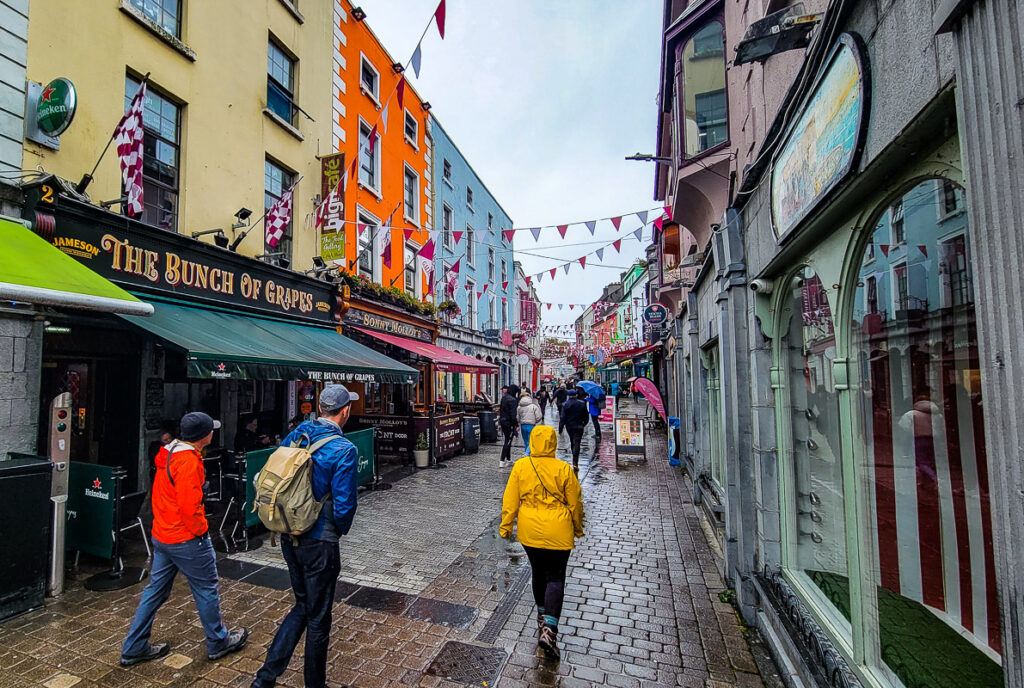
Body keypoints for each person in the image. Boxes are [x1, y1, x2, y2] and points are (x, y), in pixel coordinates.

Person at [252, 385, 361, 688]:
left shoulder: (298, 433)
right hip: (319, 541)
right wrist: (336, 529)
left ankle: (265, 679)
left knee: (302, 605)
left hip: (289, 534)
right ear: (344, 412)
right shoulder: (344, 449)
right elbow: (344, 504)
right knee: (318, 618)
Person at [121, 412, 247, 667]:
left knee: (154, 591)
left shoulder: (168, 454)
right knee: (206, 588)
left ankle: (133, 645)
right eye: (211, 430)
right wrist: (201, 532)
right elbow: (190, 506)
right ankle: (218, 641)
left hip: (163, 534)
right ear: (205, 436)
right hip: (185, 537)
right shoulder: (189, 462)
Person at [500, 426, 584, 661]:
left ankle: (541, 616)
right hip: (559, 531)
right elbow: (575, 503)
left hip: (530, 531)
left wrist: (506, 526)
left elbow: (510, 500)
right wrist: (577, 528)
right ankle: (550, 629)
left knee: (538, 573)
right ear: (553, 444)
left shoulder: (521, 466)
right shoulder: (564, 469)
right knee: (556, 576)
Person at [558, 389, 589, 471]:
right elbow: (586, 416)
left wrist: (560, 428)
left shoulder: (565, 404)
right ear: (576, 395)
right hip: (579, 426)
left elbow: (562, 418)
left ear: (568, 396)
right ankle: (575, 460)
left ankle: (574, 457)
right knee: (577, 442)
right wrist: (583, 424)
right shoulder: (582, 404)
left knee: (572, 441)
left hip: (570, 426)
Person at [498, 384, 520, 468]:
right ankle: (502, 460)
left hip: (503, 421)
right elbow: (513, 415)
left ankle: (509, 459)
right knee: (508, 441)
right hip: (509, 423)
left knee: (508, 440)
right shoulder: (513, 400)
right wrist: (516, 424)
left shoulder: (504, 398)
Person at [518, 390, 544, 455]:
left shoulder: (519, 407)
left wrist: (520, 421)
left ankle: (527, 453)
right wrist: (535, 421)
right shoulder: (533, 406)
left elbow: (517, 417)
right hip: (531, 425)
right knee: (531, 440)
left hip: (523, 425)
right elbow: (539, 416)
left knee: (526, 441)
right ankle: (527, 453)